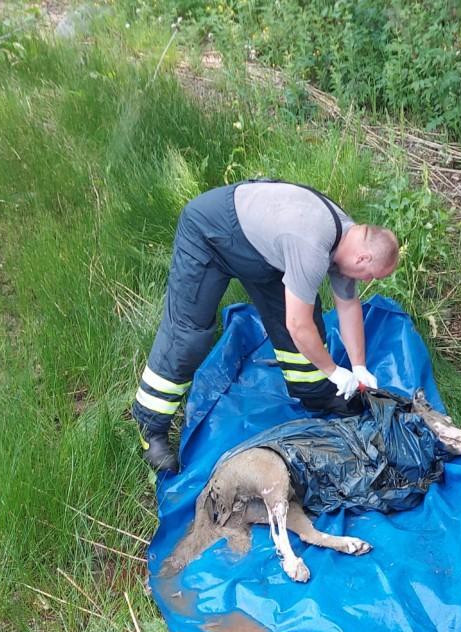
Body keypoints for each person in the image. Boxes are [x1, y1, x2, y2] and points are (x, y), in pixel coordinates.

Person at [132, 179, 399, 473]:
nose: (368, 281)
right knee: (188, 336)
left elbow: (348, 305)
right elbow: (298, 326)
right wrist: (334, 371)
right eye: (371, 275)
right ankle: (150, 425)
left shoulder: (347, 239)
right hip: (211, 233)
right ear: (363, 257)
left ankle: (315, 394)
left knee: (303, 323)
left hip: (262, 251)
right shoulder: (312, 246)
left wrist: (359, 368)